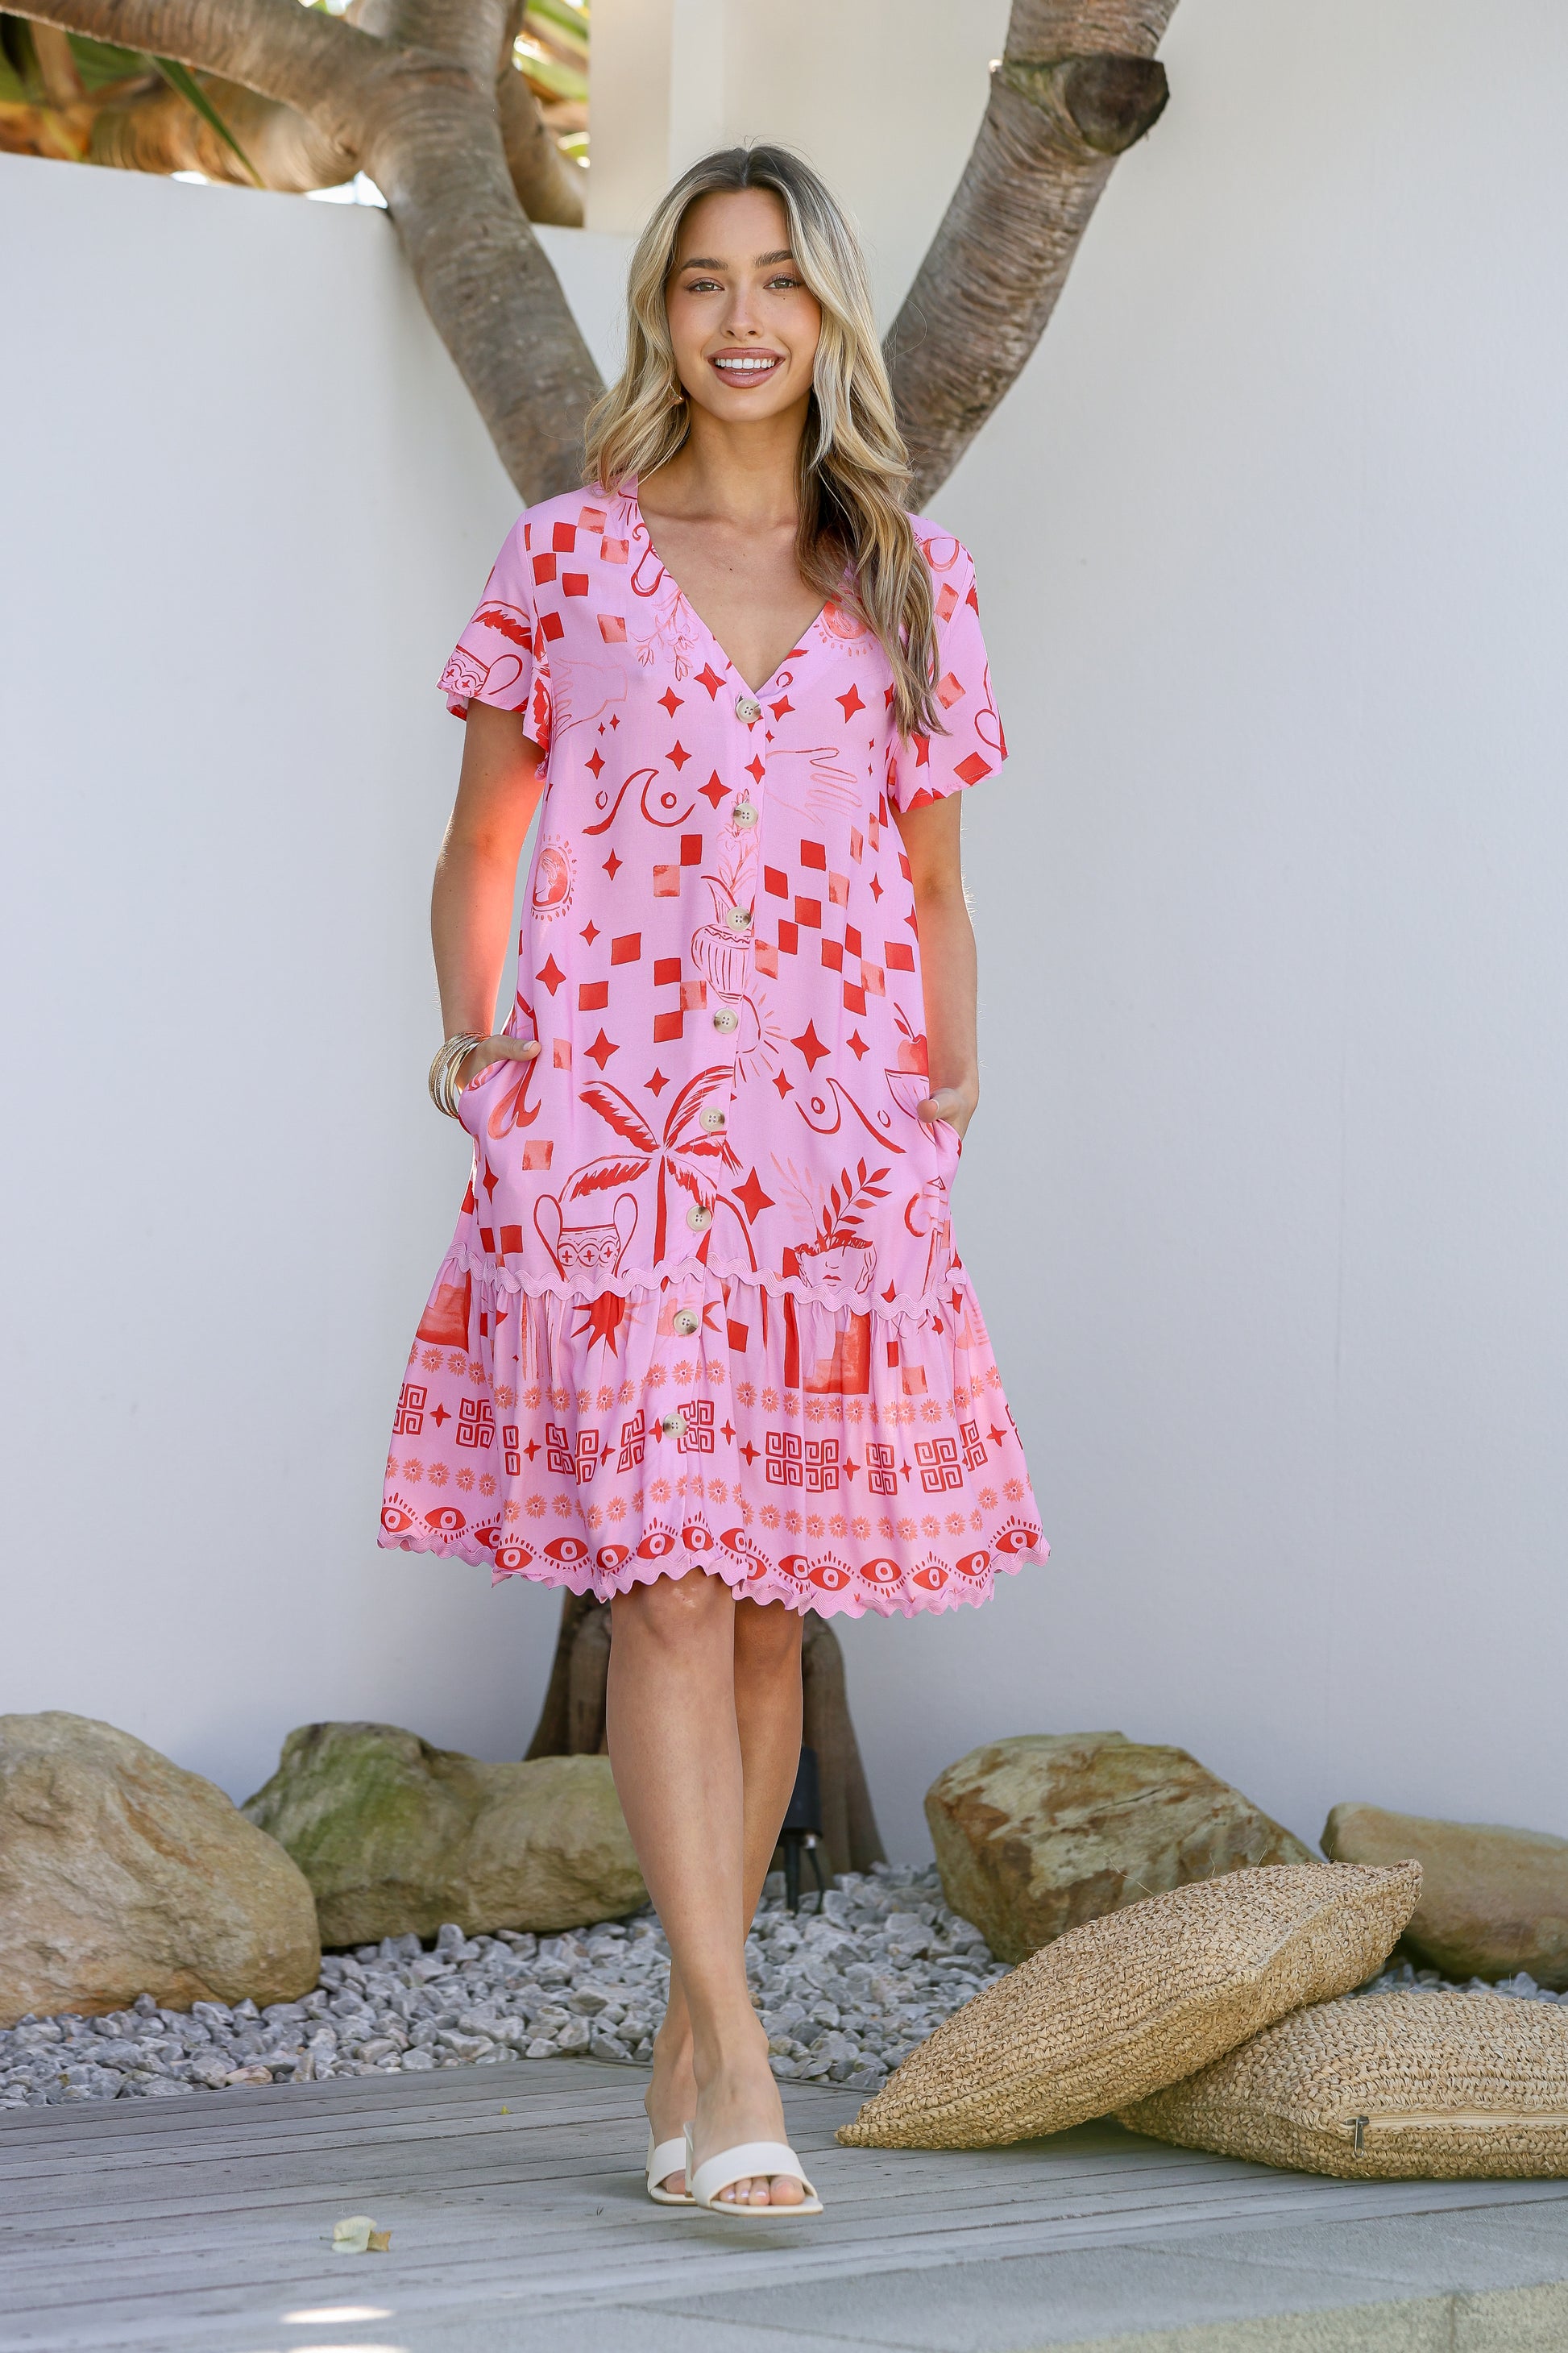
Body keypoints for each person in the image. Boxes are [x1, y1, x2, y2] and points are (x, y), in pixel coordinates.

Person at [381, 143, 1045, 2216]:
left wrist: (938, 1115)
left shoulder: (912, 580)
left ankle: (692, 2016)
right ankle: (740, 2051)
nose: (739, 318)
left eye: (775, 282)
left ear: (827, 314)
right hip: (614, 1127)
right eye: (698, 284)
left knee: (764, 1609)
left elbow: (932, 887)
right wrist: (492, 1075)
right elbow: (483, 847)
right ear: (659, 316)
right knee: (666, 1571)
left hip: (839, 1153)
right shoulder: (566, 556)